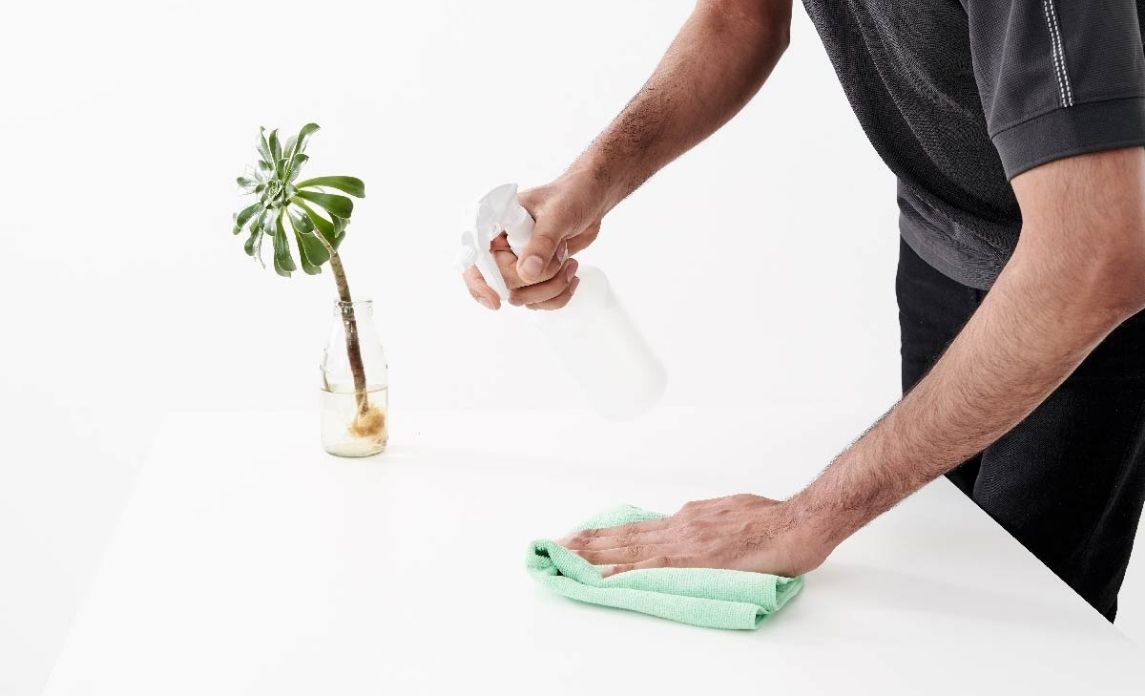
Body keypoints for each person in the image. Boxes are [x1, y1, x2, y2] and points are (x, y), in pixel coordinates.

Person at [461, 0, 1145, 621]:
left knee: (1021, 629)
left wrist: (802, 521)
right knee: (945, 581)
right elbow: (739, 15)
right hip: (948, 238)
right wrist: (588, 183)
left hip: (1090, 282)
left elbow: (1095, 256)